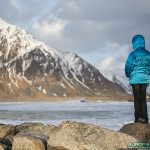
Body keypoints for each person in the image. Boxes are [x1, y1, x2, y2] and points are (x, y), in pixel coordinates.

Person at [125, 34, 150, 123]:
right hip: (144, 80)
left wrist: (128, 74)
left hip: (135, 80)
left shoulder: (133, 54)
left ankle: (138, 118)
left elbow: (128, 66)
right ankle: (145, 118)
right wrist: (147, 73)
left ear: (134, 44)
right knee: (143, 99)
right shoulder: (148, 54)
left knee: (137, 99)